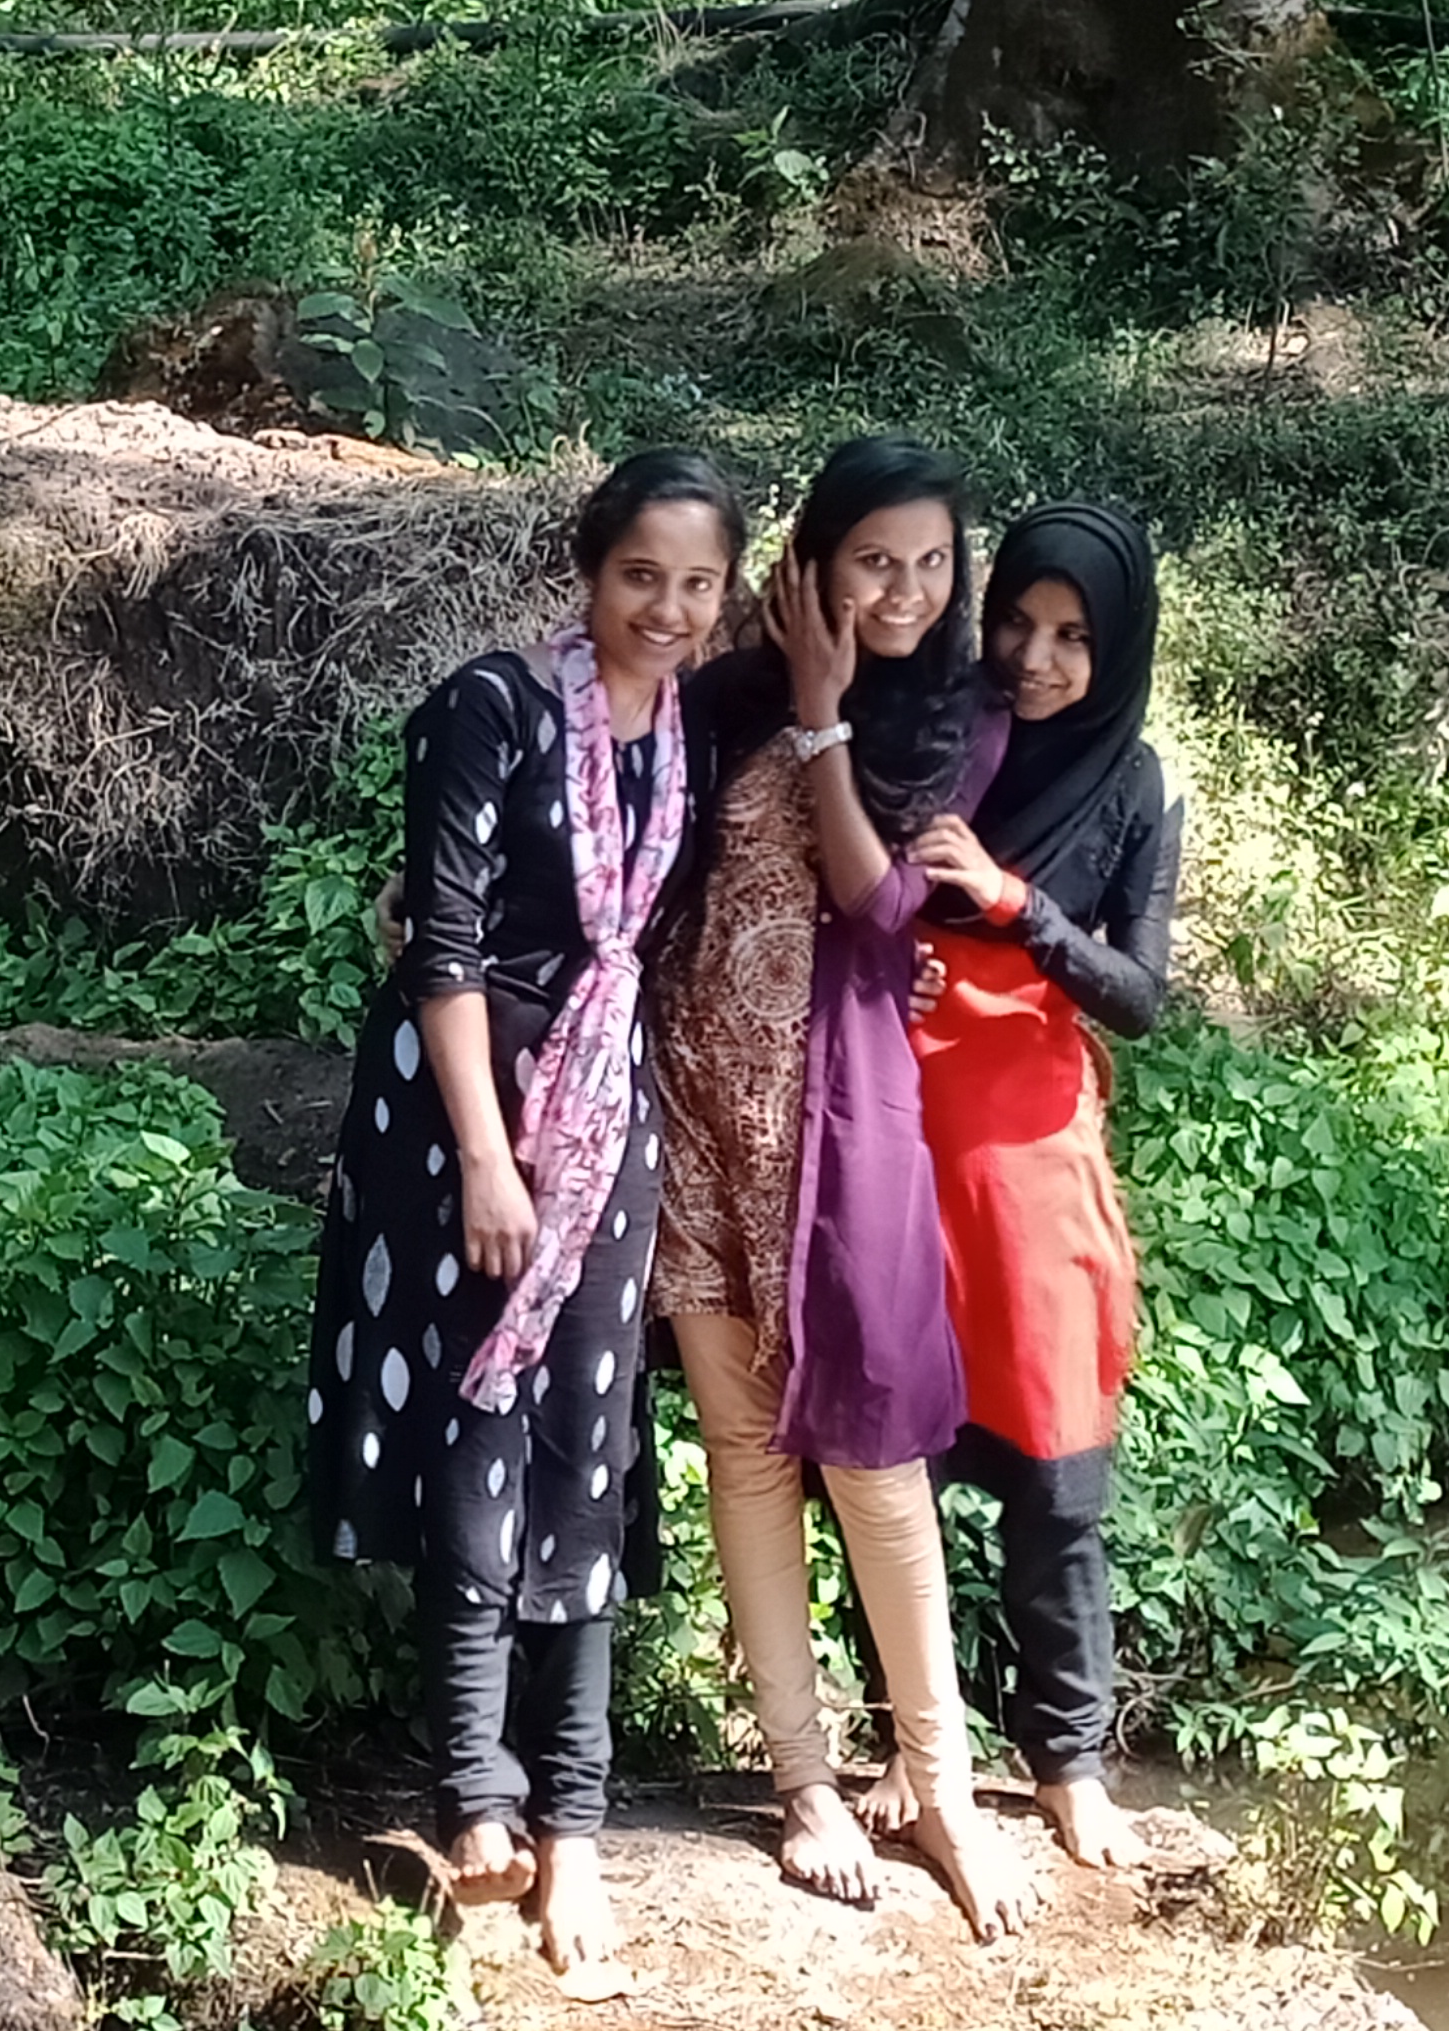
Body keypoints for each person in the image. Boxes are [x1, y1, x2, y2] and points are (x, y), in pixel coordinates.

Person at [311, 449, 741, 1999]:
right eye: (641, 578)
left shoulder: (695, 731)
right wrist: (490, 1164)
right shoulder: (493, 710)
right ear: (588, 568)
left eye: (698, 585)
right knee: (474, 1433)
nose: (667, 610)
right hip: (463, 1117)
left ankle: (575, 1827)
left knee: (586, 1447)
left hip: (607, 1114)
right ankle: (476, 1794)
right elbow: (441, 942)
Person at [652, 435, 1037, 1938]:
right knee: (745, 1455)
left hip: (837, 1120)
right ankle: (804, 1780)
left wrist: (823, 724)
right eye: (878, 560)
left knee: (875, 1461)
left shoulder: (952, 719)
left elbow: (881, 908)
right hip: (692, 1105)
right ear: (813, 563)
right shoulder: (718, 696)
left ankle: (940, 1786)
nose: (908, 590)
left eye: (933, 562)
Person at [899, 500, 1179, 1870]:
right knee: (891, 1465)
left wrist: (1018, 907)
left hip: (1033, 1156)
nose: (1036, 657)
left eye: (1074, 636)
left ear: (1116, 647)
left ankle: (1069, 1765)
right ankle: (913, 1745)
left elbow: (1141, 994)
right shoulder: (935, 735)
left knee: (1059, 1480)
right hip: (897, 1130)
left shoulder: (1135, 786)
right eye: (1016, 622)